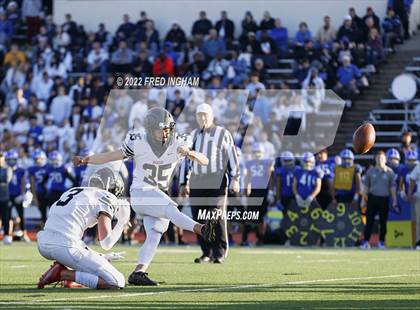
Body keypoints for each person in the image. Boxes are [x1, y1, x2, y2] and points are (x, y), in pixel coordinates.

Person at [74, 107, 215, 285]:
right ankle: (201, 229)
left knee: (155, 234)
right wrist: (86, 159)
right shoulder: (138, 141)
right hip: (141, 192)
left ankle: (138, 272)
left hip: (159, 194)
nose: (164, 133)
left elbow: (205, 160)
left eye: (167, 129)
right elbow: (112, 155)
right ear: (149, 129)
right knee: (171, 209)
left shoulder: (179, 141)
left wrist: (188, 153)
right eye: (160, 129)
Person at [37, 167, 129, 289]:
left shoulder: (74, 190)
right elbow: (106, 243)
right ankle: (64, 274)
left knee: (79, 251)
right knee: (117, 281)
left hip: (43, 242)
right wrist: (122, 222)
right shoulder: (107, 197)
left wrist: (99, 256)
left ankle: (65, 270)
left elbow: (68, 228)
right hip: (65, 246)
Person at [179, 103, 240, 264]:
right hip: (197, 180)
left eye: (205, 115)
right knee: (199, 216)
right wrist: (183, 182)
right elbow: (186, 158)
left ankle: (219, 251)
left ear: (211, 116)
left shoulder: (222, 133)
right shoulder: (193, 134)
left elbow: (232, 155)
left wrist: (235, 178)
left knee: (216, 214)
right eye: (199, 115)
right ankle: (206, 252)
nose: (203, 118)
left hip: (217, 179)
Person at [361, 151, 397, 249]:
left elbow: (392, 187)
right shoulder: (370, 171)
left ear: (385, 159)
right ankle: (366, 241)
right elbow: (366, 186)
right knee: (369, 221)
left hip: (384, 199)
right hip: (372, 198)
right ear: (375, 159)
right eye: (378, 158)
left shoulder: (389, 172)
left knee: (383, 222)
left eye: (381, 158)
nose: (379, 160)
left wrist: (394, 200)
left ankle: (381, 241)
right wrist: (364, 199)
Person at [242, 143, 274, 245]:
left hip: (263, 191)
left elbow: (270, 174)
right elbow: (247, 176)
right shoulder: (249, 163)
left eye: (259, 152)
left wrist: (270, 189)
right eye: (255, 152)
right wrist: (247, 187)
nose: (257, 154)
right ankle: (245, 239)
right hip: (254, 191)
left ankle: (260, 239)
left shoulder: (267, 162)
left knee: (261, 217)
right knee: (249, 216)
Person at [5, 149, 30, 242]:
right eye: (9, 160)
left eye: (12, 159)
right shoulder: (3, 169)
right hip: (6, 196)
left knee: (21, 216)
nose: (11, 162)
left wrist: (23, 195)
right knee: (6, 216)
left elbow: (25, 183)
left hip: (17, 196)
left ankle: (24, 233)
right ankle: (8, 234)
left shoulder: (21, 170)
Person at [28, 150, 49, 225]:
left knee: (53, 213)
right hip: (40, 193)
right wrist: (34, 197)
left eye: (39, 158)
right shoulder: (32, 169)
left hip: (50, 193)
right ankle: (45, 230)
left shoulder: (49, 167)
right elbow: (32, 183)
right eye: (36, 159)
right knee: (43, 215)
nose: (37, 161)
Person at [0, 152, 13, 245]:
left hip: (4, 196)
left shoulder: (7, 168)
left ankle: (7, 235)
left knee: (6, 217)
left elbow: (6, 179)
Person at [408, 153, 420, 250]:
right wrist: (410, 193)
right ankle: (418, 242)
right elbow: (412, 178)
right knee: (419, 221)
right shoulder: (419, 166)